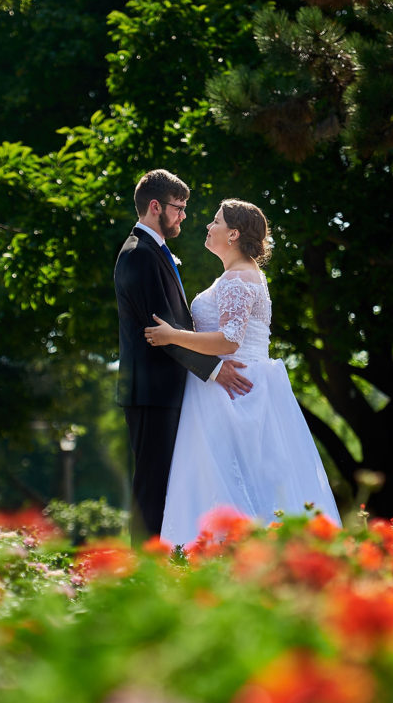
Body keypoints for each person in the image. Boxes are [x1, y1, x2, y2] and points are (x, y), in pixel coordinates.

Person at [144, 199, 341, 546]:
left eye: (215, 221)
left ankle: (231, 557)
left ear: (233, 233)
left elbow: (229, 341)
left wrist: (172, 336)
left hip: (232, 392)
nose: (208, 226)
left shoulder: (237, 277)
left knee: (230, 480)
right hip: (239, 385)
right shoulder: (241, 273)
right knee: (243, 480)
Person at [114, 170, 254, 544]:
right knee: (152, 489)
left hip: (169, 392)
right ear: (155, 207)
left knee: (168, 488)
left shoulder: (154, 251)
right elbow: (159, 333)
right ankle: (144, 578)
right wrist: (215, 371)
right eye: (178, 208)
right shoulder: (139, 255)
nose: (184, 216)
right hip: (152, 393)